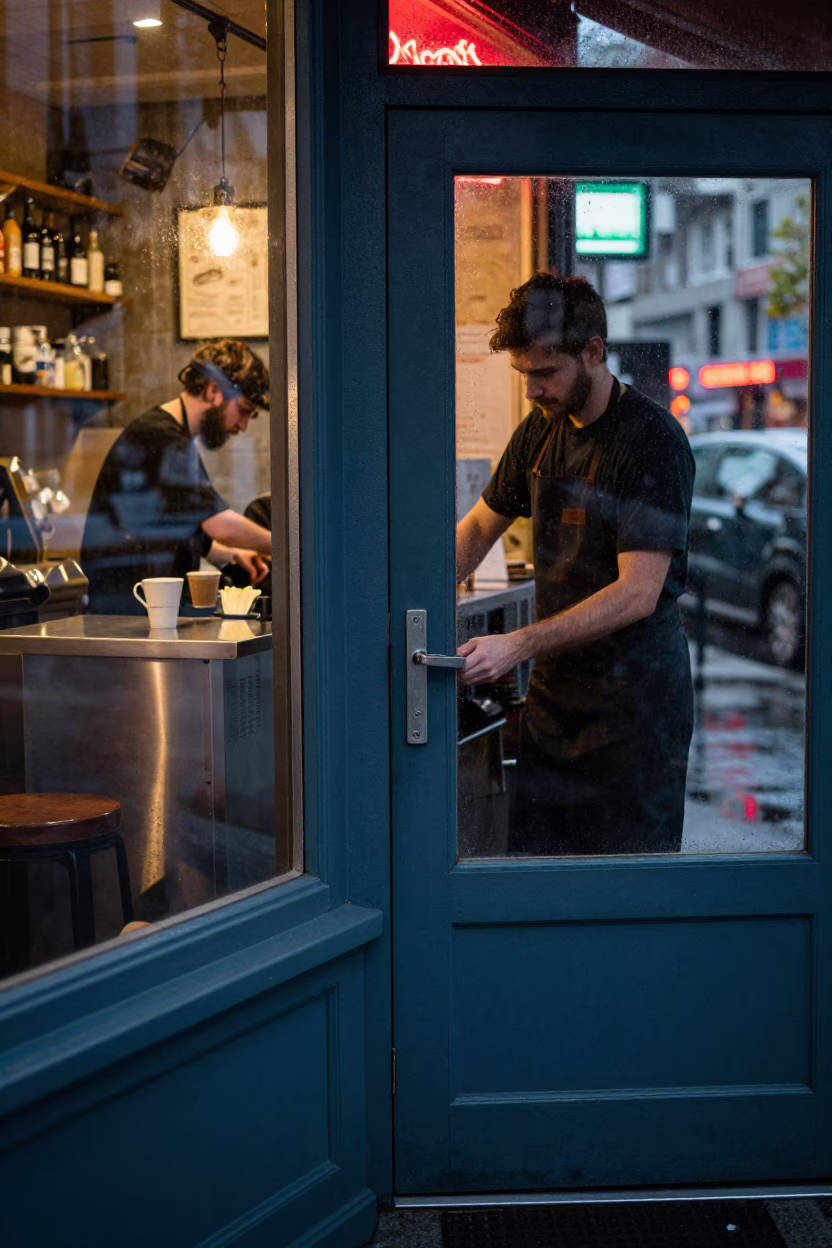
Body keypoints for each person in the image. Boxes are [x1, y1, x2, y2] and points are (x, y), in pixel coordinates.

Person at [456, 274, 695, 856]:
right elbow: (477, 531)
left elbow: (638, 592)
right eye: (524, 376)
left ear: (593, 351)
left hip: (634, 714)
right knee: (539, 877)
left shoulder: (651, 440)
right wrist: (401, 604)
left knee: (623, 894)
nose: (532, 391)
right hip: (555, 705)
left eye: (545, 372)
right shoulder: (540, 431)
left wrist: (517, 644)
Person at [81, 339, 273, 614]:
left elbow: (193, 530)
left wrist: (234, 555)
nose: (243, 425)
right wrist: (287, 544)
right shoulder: (160, 437)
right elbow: (221, 527)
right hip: (126, 613)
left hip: (144, 610)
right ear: (213, 390)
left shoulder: (175, 440)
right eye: (243, 410)